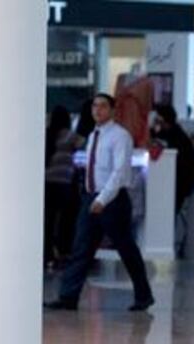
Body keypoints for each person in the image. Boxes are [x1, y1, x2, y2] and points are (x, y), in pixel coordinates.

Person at [45, 93, 154, 312]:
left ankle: (143, 295)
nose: (98, 110)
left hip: (112, 200)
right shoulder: (93, 136)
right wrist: (88, 196)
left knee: (126, 248)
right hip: (90, 198)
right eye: (95, 106)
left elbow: (119, 172)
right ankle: (68, 297)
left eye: (103, 106)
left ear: (113, 110)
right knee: (81, 248)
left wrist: (103, 199)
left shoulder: (120, 136)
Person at [151, 104, 194, 256]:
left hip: (178, 185)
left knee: (170, 219)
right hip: (180, 185)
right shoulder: (175, 134)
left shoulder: (173, 137)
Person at [44, 105, 82, 269]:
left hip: (47, 182)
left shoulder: (48, 135)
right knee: (64, 220)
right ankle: (62, 251)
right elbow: (82, 143)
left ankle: (47, 254)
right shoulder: (69, 136)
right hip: (63, 183)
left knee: (48, 220)